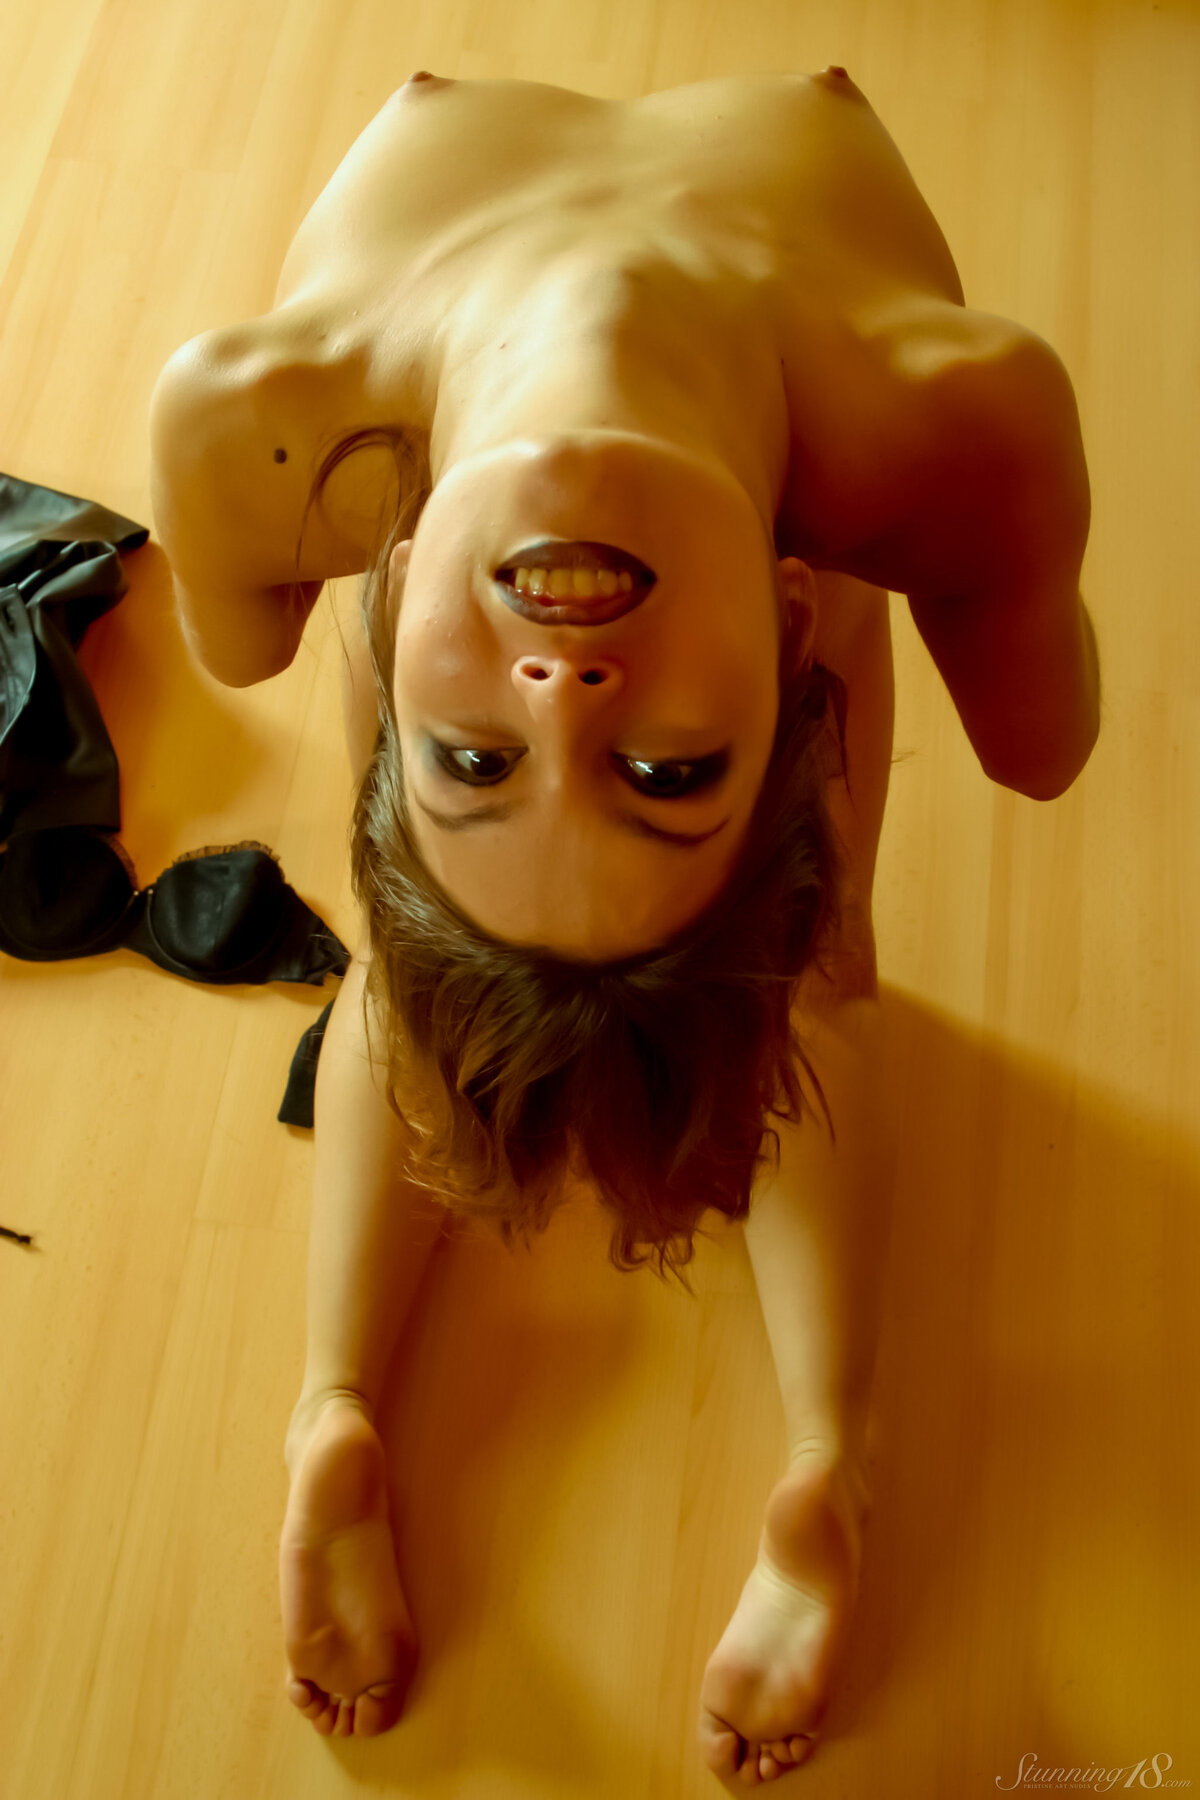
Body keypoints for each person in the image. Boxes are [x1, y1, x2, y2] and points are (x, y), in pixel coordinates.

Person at [149, 68, 1100, 1782]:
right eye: (663, 770)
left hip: (418, 512)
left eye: (484, 760)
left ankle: (334, 1407)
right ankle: (830, 1458)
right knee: (815, 974)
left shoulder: (255, 425)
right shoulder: (941, 424)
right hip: (753, 520)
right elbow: (1048, 744)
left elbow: (234, 639)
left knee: (410, 944)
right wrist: (984, 557)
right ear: (802, 627)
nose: (560, 690)